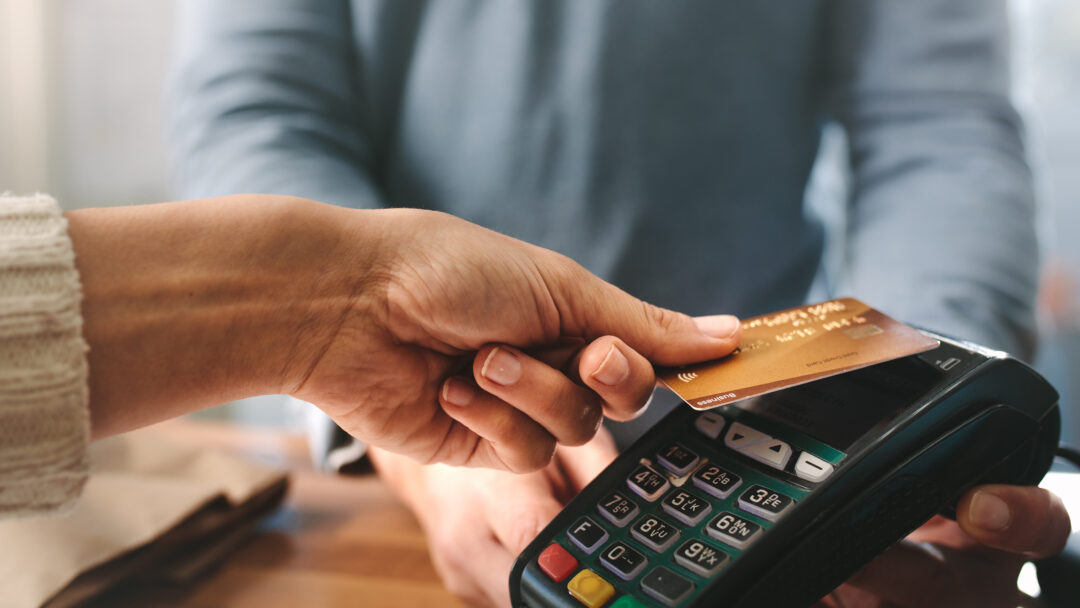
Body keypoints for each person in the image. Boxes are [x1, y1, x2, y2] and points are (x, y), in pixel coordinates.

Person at [168, 1, 1072, 606]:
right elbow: (259, 108)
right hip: (383, 476)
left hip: (770, 439)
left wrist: (920, 429)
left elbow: (936, 123)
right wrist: (402, 415)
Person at [0, 192, 743, 516]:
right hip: (392, 481)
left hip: (746, 448)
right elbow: (253, 99)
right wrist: (347, 309)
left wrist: (345, 307)